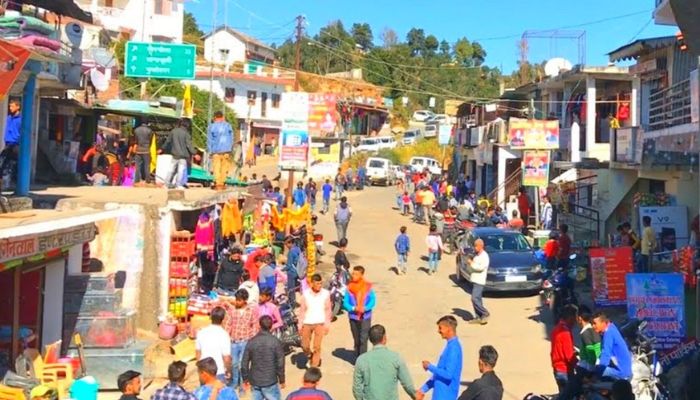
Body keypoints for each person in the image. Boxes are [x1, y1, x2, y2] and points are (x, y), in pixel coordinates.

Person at [353, 324, 416, 400]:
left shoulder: (361, 360)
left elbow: (357, 388)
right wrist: (414, 395)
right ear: (384, 338)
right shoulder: (396, 358)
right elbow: (407, 383)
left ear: (370, 340)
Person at [416, 315, 463, 400]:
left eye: (440, 328)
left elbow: (448, 374)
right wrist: (422, 390)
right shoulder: (450, 347)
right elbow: (438, 375)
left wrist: (429, 366)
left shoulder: (454, 348)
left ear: (448, 328)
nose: (438, 331)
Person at [222, 289, 259, 395]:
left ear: (245, 300)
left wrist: (251, 338)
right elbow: (228, 325)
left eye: (239, 300)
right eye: (236, 300)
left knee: (242, 364)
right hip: (234, 342)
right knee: (234, 364)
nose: (237, 302)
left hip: (245, 341)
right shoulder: (232, 311)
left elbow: (255, 326)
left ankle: (243, 385)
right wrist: (226, 337)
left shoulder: (250, 311)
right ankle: (234, 382)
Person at [241, 316, 286, 400]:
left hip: (255, 381)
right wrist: (282, 379)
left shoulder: (252, 341)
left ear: (259, 325)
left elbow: (244, 363)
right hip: (270, 380)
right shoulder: (275, 341)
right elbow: (280, 363)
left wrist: (245, 379)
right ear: (271, 326)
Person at [298, 274, 332, 368]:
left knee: (317, 346)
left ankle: (314, 366)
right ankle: (310, 355)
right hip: (307, 322)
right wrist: (300, 325)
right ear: (312, 284)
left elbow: (328, 310)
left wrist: (327, 325)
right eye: (317, 284)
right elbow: (302, 310)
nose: (319, 286)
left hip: (320, 323)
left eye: (321, 283)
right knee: (305, 345)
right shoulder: (306, 294)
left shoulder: (325, 294)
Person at [343, 266, 377, 358]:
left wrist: (365, 308)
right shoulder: (349, 287)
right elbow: (345, 303)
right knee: (356, 339)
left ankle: (362, 359)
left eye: (356, 274)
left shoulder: (367, 287)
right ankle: (357, 356)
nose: (353, 276)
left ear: (362, 275)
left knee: (363, 338)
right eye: (353, 273)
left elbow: (373, 301)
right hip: (353, 317)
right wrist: (354, 308)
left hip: (365, 316)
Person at [591, 312, 633, 381]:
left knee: (597, 371)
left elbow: (606, 353)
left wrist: (600, 369)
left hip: (621, 372)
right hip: (624, 370)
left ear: (604, 322)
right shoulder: (611, 327)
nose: (593, 326)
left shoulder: (609, 333)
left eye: (595, 323)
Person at [196, 307, 232, 381]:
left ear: (210, 317)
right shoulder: (224, 335)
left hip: (204, 371)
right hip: (219, 372)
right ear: (223, 319)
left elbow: (198, 353)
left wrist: (199, 368)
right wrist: (228, 370)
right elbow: (226, 358)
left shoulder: (201, 332)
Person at [551, 305, 578, 399]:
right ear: (570, 318)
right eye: (575, 318)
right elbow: (569, 356)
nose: (576, 321)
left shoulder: (556, 328)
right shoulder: (565, 332)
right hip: (564, 370)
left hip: (557, 368)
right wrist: (578, 366)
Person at [163, 118, 195, 189]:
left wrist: (162, 148)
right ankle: (178, 185)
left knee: (171, 170)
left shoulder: (173, 131)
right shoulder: (186, 133)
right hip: (183, 156)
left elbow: (167, 141)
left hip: (174, 154)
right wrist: (194, 153)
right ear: (188, 125)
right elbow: (189, 145)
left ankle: (166, 184)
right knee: (181, 171)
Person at [207, 111, 234, 190]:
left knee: (216, 168)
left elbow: (209, 140)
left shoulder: (211, 126)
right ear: (223, 117)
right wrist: (230, 148)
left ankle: (218, 184)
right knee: (224, 168)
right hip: (226, 150)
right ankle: (222, 183)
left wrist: (210, 151)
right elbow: (231, 138)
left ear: (214, 117)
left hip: (216, 151)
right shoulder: (228, 126)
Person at [467, 238, 490, 324]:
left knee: (474, 298)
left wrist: (471, 263)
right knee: (478, 299)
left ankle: (485, 313)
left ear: (480, 246)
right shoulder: (477, 255)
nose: (474, 248)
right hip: (475, 279)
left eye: (476, 246)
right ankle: (479, 317)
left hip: (480, 280)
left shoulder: (484, 256)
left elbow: (480, 268)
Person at [576, 305, 601, 375]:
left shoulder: (585, 333)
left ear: (579, 318)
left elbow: (591, 354)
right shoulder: (592, 329)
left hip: (590, 367)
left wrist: (589, 374)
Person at [2, 100, 21, 182]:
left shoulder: (21, 119)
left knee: (13, 164)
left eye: (12, 106)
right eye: (10, 106)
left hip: (16, 144)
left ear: (18, 107)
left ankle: (13, 181)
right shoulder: (8, 118)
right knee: (3, 163)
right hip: (8, 143)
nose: (10, 108)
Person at [284, 237, 301, 305]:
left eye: (286, 244)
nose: (286, 246)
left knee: (291, 288)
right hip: (297, 271)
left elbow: (289, 265)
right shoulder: (298, 249)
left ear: (290, 243)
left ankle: (292, 302)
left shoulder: (291, 251)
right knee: (295, 288)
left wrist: (282, 269)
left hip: (291, 272)